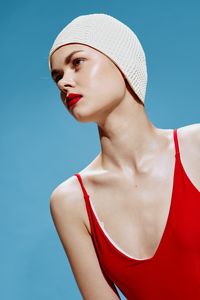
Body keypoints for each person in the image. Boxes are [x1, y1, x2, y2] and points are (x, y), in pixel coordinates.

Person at [48, 13, 200, 300]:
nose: (63, 82)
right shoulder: (71, 202)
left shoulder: (197, 147)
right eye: (57, 76)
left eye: (76, 63)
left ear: (120, 62)